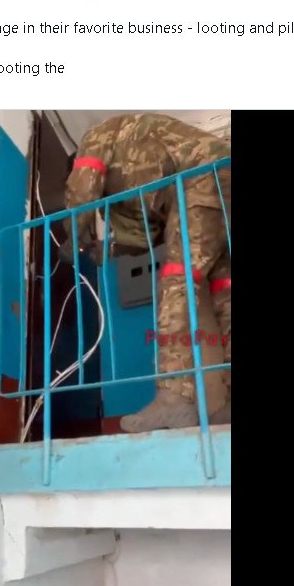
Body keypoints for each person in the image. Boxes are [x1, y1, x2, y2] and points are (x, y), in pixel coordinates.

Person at [60, 113, 231, 431]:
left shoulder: (95, 138)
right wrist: (109, 250)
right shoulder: (132, 169)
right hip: (220, 183)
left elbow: (82, 188)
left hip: (202, 178)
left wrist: (73, 235)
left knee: (178, 279)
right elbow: (146, 236)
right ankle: (228, 404)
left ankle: (175, 397)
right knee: (225, 291)